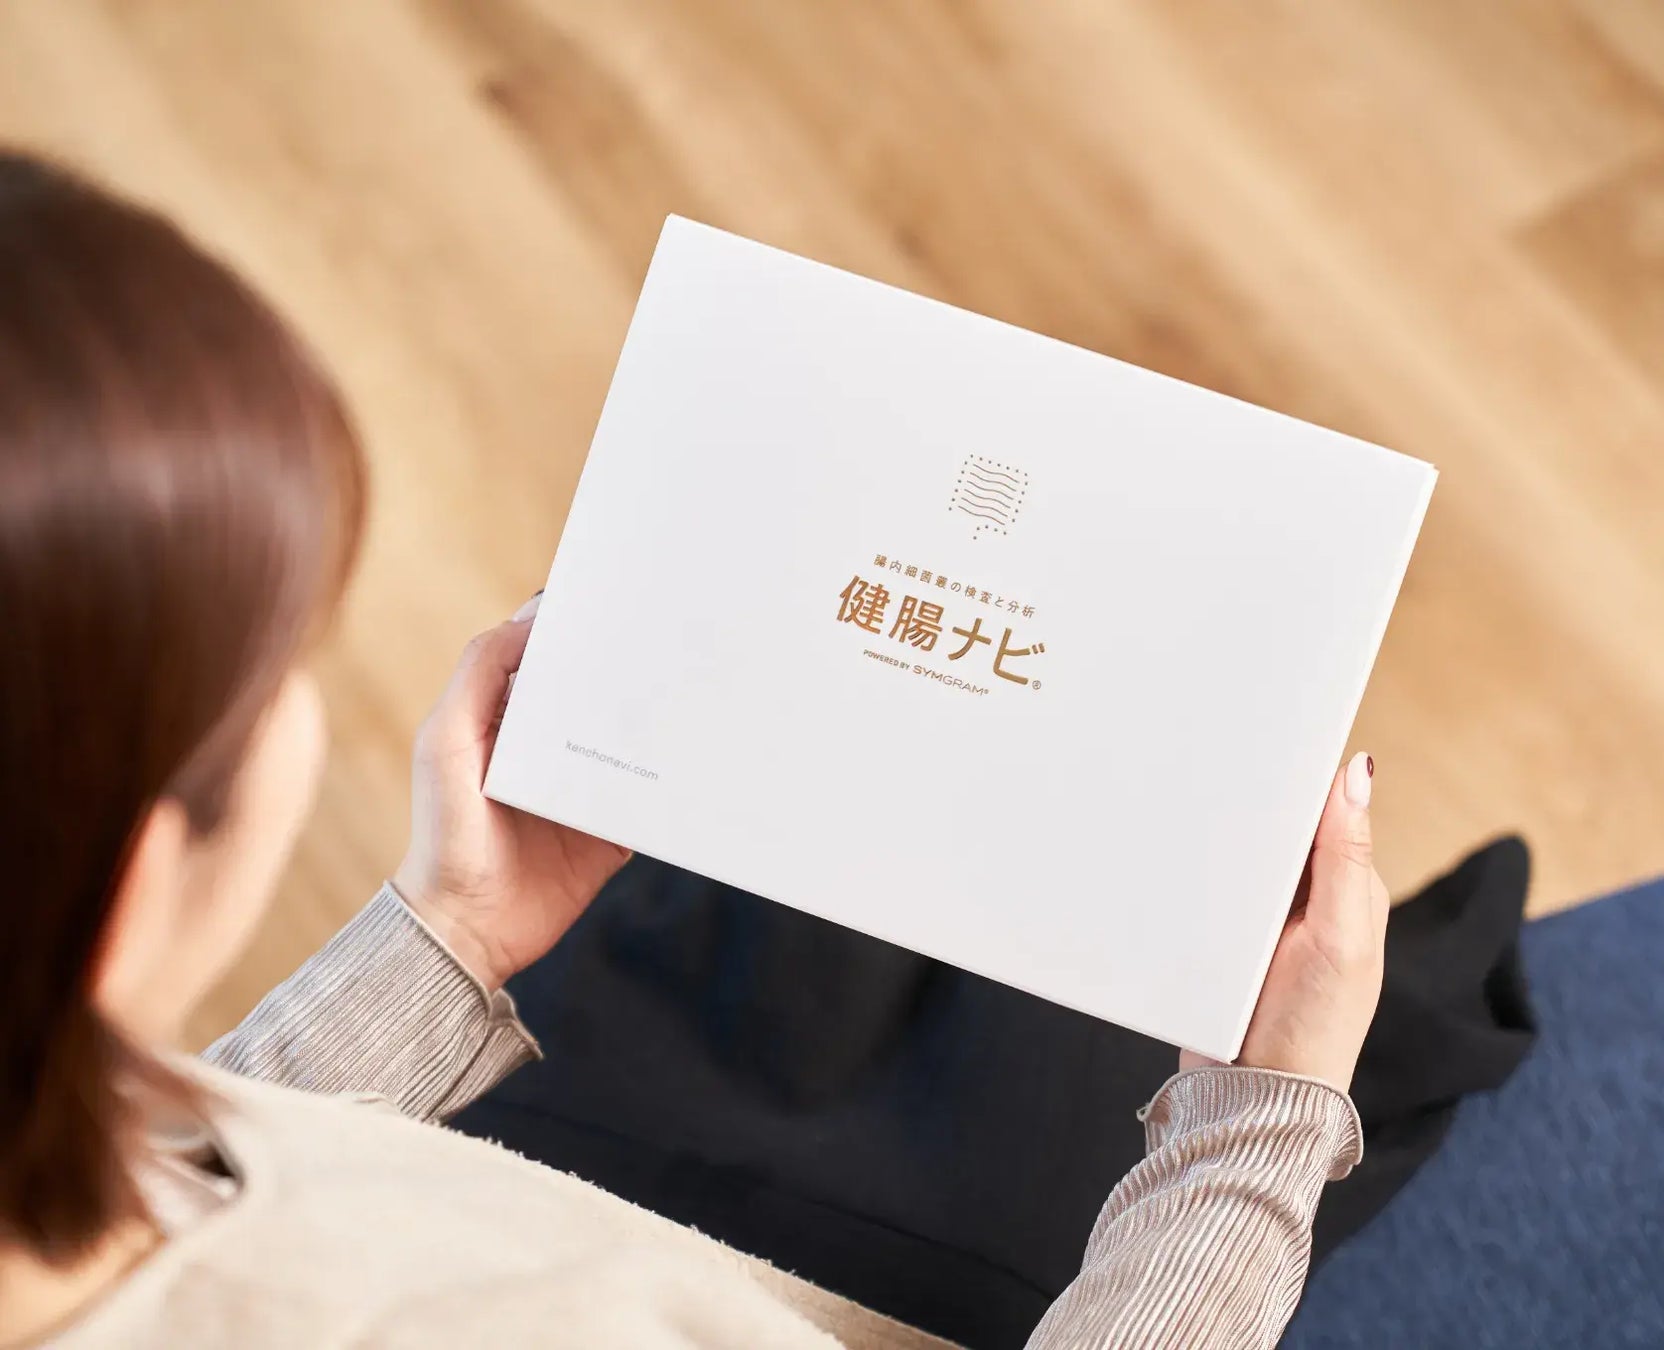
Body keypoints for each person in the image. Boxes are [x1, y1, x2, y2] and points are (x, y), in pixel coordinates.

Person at [0, 152, 1385, 1349]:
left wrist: (449, 931)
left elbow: (186, 1161)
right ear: (128, 898)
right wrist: (1254, 1137)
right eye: (280, 670)